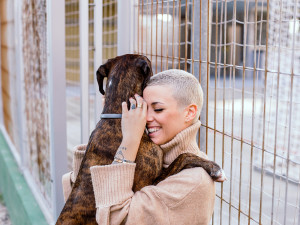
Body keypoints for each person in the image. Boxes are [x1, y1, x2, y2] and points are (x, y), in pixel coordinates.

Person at [62, 69, 216, 225]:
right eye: (143, 109)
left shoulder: (194, 181)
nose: (146, 118)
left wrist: (130, 140)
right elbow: (81, 200)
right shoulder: (148, 156)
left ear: (189, 113)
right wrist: (112, 124)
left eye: (158, 109)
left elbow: (116, 220)